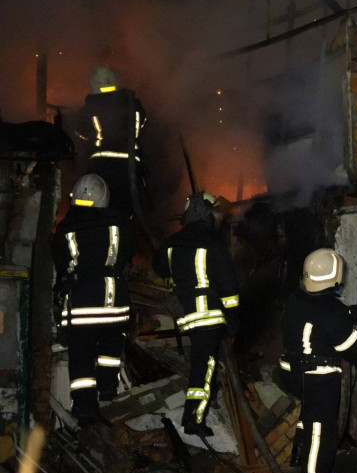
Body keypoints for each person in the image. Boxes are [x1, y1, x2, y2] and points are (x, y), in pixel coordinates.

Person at [279, 248, 357, 473]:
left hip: (291, 373)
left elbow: (316, 318)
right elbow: (355, 351)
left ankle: (299, 459)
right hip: (318, 377)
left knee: (308, 419)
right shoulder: (333, 310)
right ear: (336, 276)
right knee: (321, 431)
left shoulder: (295, 298)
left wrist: (348, 314)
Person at [153, 191, 239, 436]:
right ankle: (193, 420)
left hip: (186, 315)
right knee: (205, 366)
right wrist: (233, 321)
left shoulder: (172, 243)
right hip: (208, 316)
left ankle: (197, 411)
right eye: (216, 214)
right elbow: (229, 289)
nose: (220, 219)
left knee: (201, 364)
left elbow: (160, 268)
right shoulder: (213, 244)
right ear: (206, 215)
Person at [52, 174, 135, 425]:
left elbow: (61, 264)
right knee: (110, 353)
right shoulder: (120, 224)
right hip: (114, 303)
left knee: (81, 357)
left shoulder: (65, 229)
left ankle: (85, 409)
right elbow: (127, 254)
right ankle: (109, 394)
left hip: (81, 305)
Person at [75, 65, 147, 216]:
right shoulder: (133, 104)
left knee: (100, 208)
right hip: (131, 166)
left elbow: (80, 134)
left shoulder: (88, 109)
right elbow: (142, 124)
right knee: (129, 209)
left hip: (101, 166)